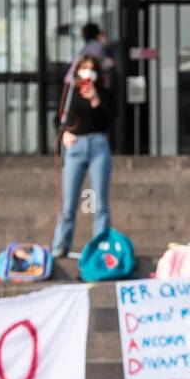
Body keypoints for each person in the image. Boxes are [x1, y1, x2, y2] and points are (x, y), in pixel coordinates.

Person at [51, 54, 114, 257]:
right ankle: (60, 246)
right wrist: (64, 134)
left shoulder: (103, 93)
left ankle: (100, 248)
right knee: (68, 204)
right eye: (83, 68)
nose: (87, 72)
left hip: (98, 146)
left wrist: (95, 98)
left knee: (98, 203)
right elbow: (59, 118)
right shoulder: (71, 93)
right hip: (76, 147)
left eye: (91, 68)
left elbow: (108, 120)